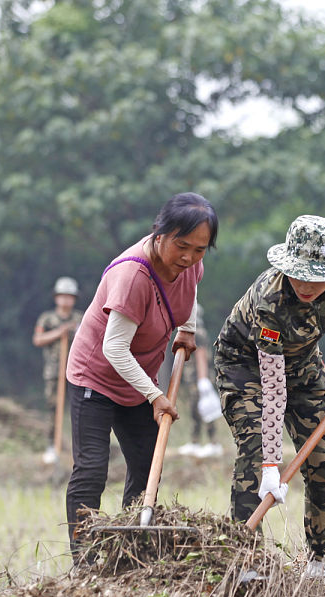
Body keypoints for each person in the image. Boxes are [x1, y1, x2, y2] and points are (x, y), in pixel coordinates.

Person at [214, 215, 325, 584]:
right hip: (246, 367)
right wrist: (270, 465)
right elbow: (273, 390)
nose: (307, 286)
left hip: (304, 363)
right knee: (252, 453)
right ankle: (245, 562)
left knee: (322, 458)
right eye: (300, 275)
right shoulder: (270, 303)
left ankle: (321, 559)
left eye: (317, 277)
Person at [64, 192, 217, 563]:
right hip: (95, 378)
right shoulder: (132, 274)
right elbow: (114, 349)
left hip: (137, 380)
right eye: (182, 246)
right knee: (92, 469)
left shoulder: (189, 265)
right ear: (159, 233)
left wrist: (188, 329)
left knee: (148, 464)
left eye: (199, 249)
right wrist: (156, 396)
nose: (189, 257)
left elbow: (190, 290)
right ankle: (86, 563)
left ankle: (131, 555)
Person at [32, 276, 83, 464]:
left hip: (77, 371)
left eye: (69, 296)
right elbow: (38, 339)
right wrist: (59, 332)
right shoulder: (47, 318)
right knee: (53, 408)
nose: (66, 300)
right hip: (54, 371)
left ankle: (78, 448)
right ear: (56, 297)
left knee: (79, 410)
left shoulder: (80, 318)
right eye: (62, 296)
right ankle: (51, 447)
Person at [176, 303, 224, 458]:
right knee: (195, 410)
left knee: (205, 410)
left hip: (199, 379)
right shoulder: (195, 332)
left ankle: (213, 443)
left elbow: (201, 356)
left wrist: (202, 380)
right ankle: (195, 442)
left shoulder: (198, 333)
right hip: (195, 379)